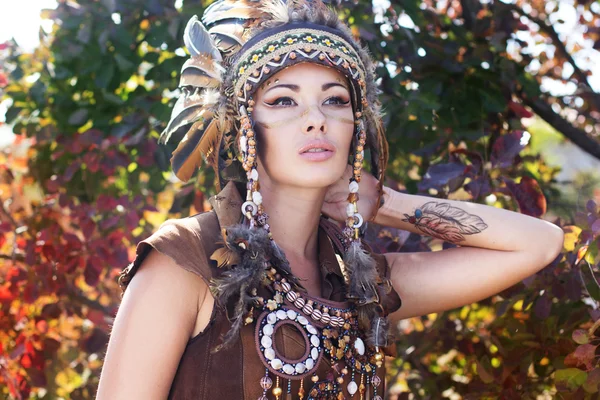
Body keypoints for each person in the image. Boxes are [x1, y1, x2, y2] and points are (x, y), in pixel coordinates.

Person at [96, 1, 564, 399]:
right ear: (245, 128)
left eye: (336, 100)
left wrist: (386, 204)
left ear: (355, 130)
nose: (315, 119)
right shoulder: (187, 259)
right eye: (283, 101)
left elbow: (538, 243)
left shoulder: (358, 280)